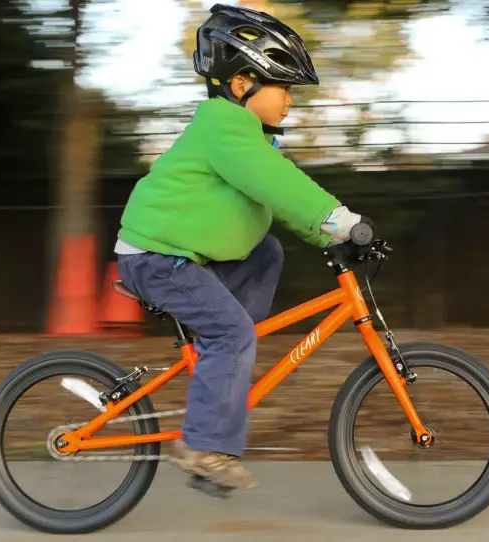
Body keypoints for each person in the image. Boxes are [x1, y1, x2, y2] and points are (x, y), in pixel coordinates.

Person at [114, 3, 369, 492]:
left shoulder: (245, 137)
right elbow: (278, 184)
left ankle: (220, 367)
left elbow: (274, 199)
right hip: (156, 259)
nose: (290, 102)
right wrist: (340, 220)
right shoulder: (224, 128)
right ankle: (204, 443)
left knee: (266, 252)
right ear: (240, 85)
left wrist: (327, 234)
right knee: (233, 335)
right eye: (284, 87)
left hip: (180, 256)